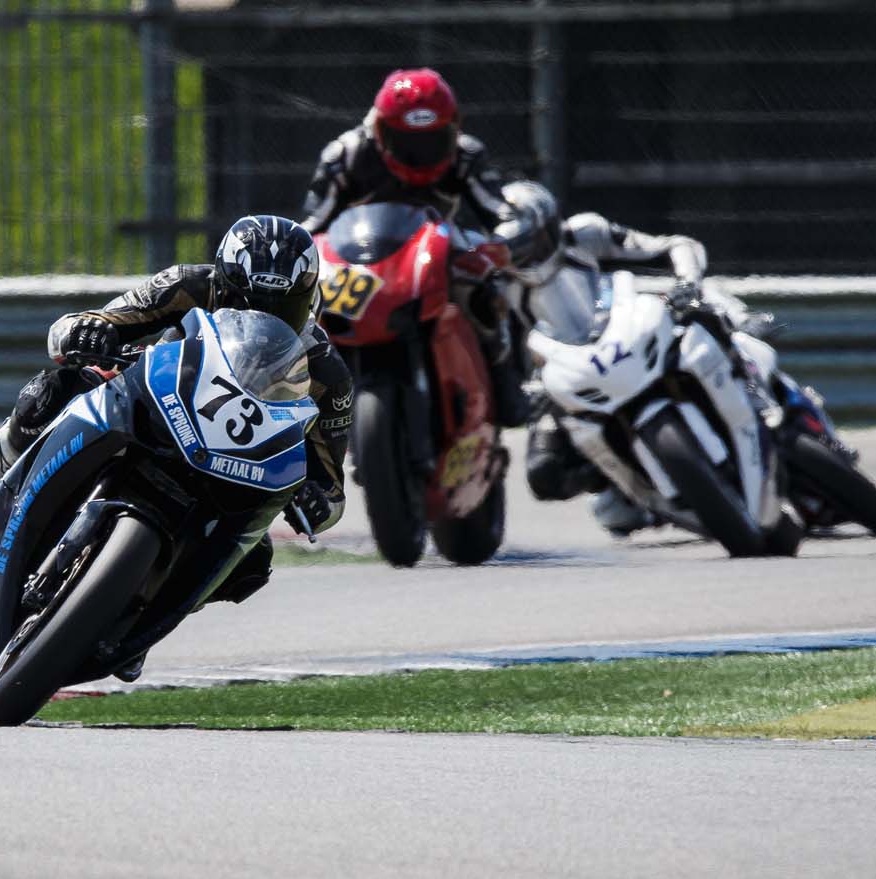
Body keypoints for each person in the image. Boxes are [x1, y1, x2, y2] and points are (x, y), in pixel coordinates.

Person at [0, 215, 352, 606]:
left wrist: (314, 497)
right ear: (223, 283)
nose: (263, 319)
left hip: (234, 468)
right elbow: (82, 324)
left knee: (252, 562)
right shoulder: (187, 284)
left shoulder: (328, 374)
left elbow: (332, 493)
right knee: (52, 390)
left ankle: (141, 614)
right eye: (250, 305)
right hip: (155, 405)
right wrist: (89, 332)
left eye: (283, 309)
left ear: (308, 299)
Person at [494, 180, 784, 534]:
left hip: (629, 331)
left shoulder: (586, 233)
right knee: (545, 474)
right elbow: (502, 357)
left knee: (703, 304)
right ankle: (627, 481)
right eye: (518, 249)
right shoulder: (500, 286)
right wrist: (528, 391)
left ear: (552, 225)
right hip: (567, 373)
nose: (530, 255)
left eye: (534, 242)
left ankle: (752, 379)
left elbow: (674, 246)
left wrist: (687, 283)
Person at [300, 67, 529, 424]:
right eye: (405, 143)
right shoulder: (344, 155)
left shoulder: (466, 155)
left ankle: (505, 379)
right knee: (306, 310)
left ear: (454, 130)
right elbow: (312, 227)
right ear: (379, 131)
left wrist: (500, 245)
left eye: (433, 142)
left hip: (437, 252)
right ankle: (312, 394)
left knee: (487, 282)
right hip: (360, 265)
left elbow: (500, 213)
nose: (420, 155)